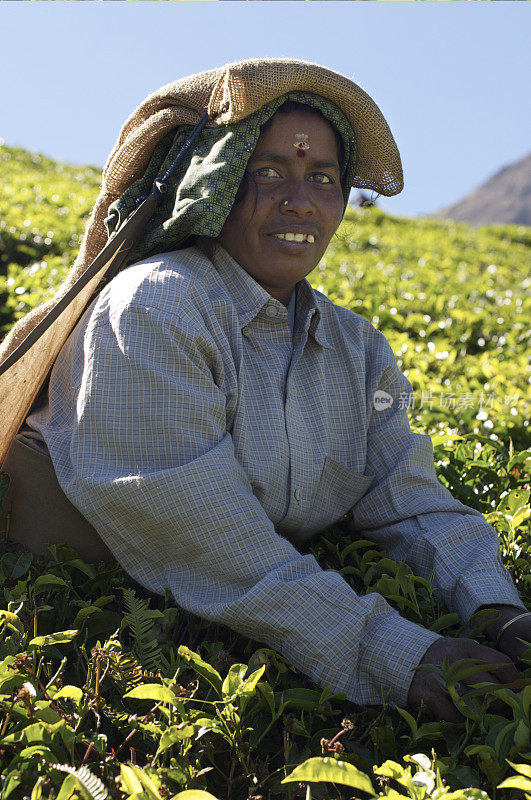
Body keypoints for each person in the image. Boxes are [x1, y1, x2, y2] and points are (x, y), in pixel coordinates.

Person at [0, 59, 529, 722]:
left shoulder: (356, 348)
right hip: (112, 649)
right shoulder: (158, 307)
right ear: (215, 185)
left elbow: (408, 498)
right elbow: (210, 542)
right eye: (267, 172)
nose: (299, 202)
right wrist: (400, 654)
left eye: (322, 178)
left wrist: (494, 606)